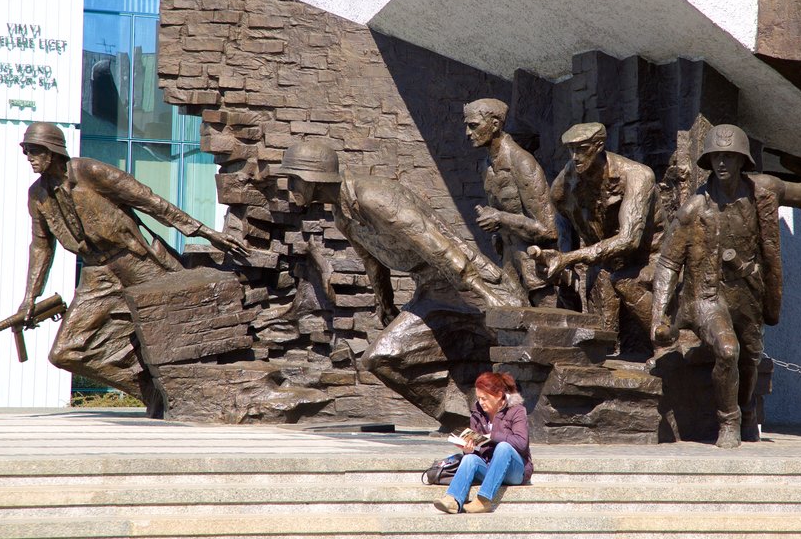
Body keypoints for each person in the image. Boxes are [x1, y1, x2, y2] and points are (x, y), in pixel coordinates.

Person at [275, 139, 527, 430]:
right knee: (380, 359)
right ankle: (464, 419)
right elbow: (372, 262)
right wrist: (384, 304)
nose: (290, 189)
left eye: (293, 180)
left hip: (467, 283)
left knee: (513, 346)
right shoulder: (343, 216)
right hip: (430, 289)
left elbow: (436, 245)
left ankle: (509, 420)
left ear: (313, 180)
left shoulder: (373, 196)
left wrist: (485, 294)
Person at [650, 124, 801, 448]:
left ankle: (747, 407)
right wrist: (659, 316)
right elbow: (668, 263)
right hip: (707, 297)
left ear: (742, 161)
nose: (722, 163)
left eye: (729, 156)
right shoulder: (693, 209)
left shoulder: (762, 191)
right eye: (716, 157)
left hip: (748, 295)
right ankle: (729, 421)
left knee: (750, 358)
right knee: (727, 350)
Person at [17, 122, 246, 416]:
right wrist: (29, 297)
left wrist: (204, 232)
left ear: (54, 150)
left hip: (137, 263)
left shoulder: (90, 172)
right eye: (26, 151)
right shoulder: (37, 195)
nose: (30, 157)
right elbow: (40, 247)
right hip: (96, 274)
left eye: (35, 150)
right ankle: (153, 391)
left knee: (173, 336)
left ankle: (184, 396)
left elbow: (150, 202)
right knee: (65, 352)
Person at [531, 122, 662, 357]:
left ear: (599, 146)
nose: (575, 157)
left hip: (647, 260)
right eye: (570, 150)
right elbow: (561, 212)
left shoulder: (637, 176)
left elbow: (629, 240)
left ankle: (669, 350)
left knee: (628, 292)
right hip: (603, 264)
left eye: (581, 149)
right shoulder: (566, 181)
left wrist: (570, 257)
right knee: (599, 341)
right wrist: (562, 258)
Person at [464, 98, 558, 306]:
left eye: (473, 126)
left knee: (550, 325)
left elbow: (549, 230)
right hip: (509, 261)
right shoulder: (486, 166)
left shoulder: (522, 162)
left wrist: (500, 217)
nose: (468, 133)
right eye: (467, 126)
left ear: (495, 124)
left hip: (537, 268)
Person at [433, 371, 533, 514]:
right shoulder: (477, 413)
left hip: (515, 471)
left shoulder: (517, 411)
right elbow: (478, 449)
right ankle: (453, 500)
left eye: (484, 398)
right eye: (479, 398)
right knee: (469, 459)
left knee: (503, 447)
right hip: (489, 466)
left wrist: (493, 435)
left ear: (499, 395)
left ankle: (484, 500)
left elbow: (522, 443)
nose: (481, 402)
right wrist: (468, 449)